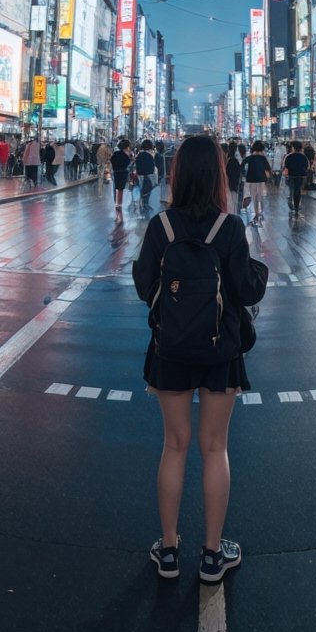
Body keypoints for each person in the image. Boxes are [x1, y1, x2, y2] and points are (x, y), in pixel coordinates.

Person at [132, 135, 268, 584]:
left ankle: (168, 550)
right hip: (220, 349)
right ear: (218, 174)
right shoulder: (229, 228)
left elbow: (142, 285)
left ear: (177, 174)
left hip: (169, 349)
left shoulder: (161, 226)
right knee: (215, 448)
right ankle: (212, 554)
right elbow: (247, 290)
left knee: (174, 445)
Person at [242, 141, 272, 226]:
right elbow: (268, 169)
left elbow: (242, 166)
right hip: (261, 179)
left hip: (251, 179)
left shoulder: (249, 158)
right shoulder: (263, 158)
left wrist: (244, 174)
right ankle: (260, 212)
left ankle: (256, 213)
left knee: (254, 197)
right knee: (261, 196)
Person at [282, 140, 309, 219]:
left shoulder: (289, 156)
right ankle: (296, 207)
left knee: (291, 190)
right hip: (300, 176)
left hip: (291, 175)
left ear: (293, 147)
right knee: (298, 190)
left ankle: (291, 203)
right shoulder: (303, 156)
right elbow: (307, 166)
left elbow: (285, 165)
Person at [111, 138, 132, 218]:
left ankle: (116, 203)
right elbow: (128, 162)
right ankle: (119, 204)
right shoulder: (127, 154)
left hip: (116, 172)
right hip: (123, 172)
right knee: (121, 188)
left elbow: (112, 160)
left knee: (116, 187)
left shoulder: (116, 153)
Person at [135, 140, 157, 216]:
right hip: (149, 176)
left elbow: (137, 165)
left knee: (141, 191)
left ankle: (142, 206)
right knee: (148, 191)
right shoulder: (151, 154)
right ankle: (146, 205)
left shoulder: (139, 154)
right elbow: (152, 167)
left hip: (140, 175)